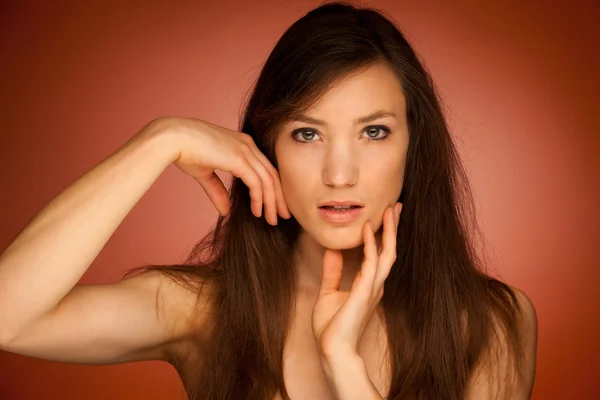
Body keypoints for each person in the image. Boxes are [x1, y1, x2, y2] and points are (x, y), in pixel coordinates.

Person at [0, 2, 538, 399]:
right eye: (307, 134)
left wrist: (344, 364)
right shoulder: (200, 311)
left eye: (373, 132)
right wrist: (157, 141)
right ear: (267, 148)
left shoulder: (489, 322)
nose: (340, 173)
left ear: (413, 145)